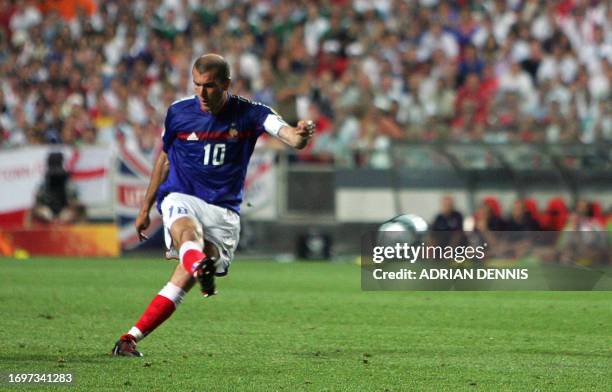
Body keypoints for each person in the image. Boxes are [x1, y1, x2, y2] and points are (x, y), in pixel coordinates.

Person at [112, 54, 315, 357]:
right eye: (197, 85)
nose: (202, 94)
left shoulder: (252, 113)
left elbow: (290, 137)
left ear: (226, 84)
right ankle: (197, 265)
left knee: (181, 279)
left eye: (209, 86)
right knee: (187, 234)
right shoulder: (178, 114)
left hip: (223, 212)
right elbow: (165, 160)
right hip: (182, 196)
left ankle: (130, 338)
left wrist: (300, 136)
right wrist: (145, 209)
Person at [30, 152, 86, 225]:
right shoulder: (44, 184)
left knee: (81, 210)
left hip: (66, 211)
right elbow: (37, 203)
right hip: (47, 212)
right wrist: (43, 211)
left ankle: (83, 231)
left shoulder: (68, 183)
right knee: (32, 211)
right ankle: (29, 233)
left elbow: (76, 202)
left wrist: (69, 210)